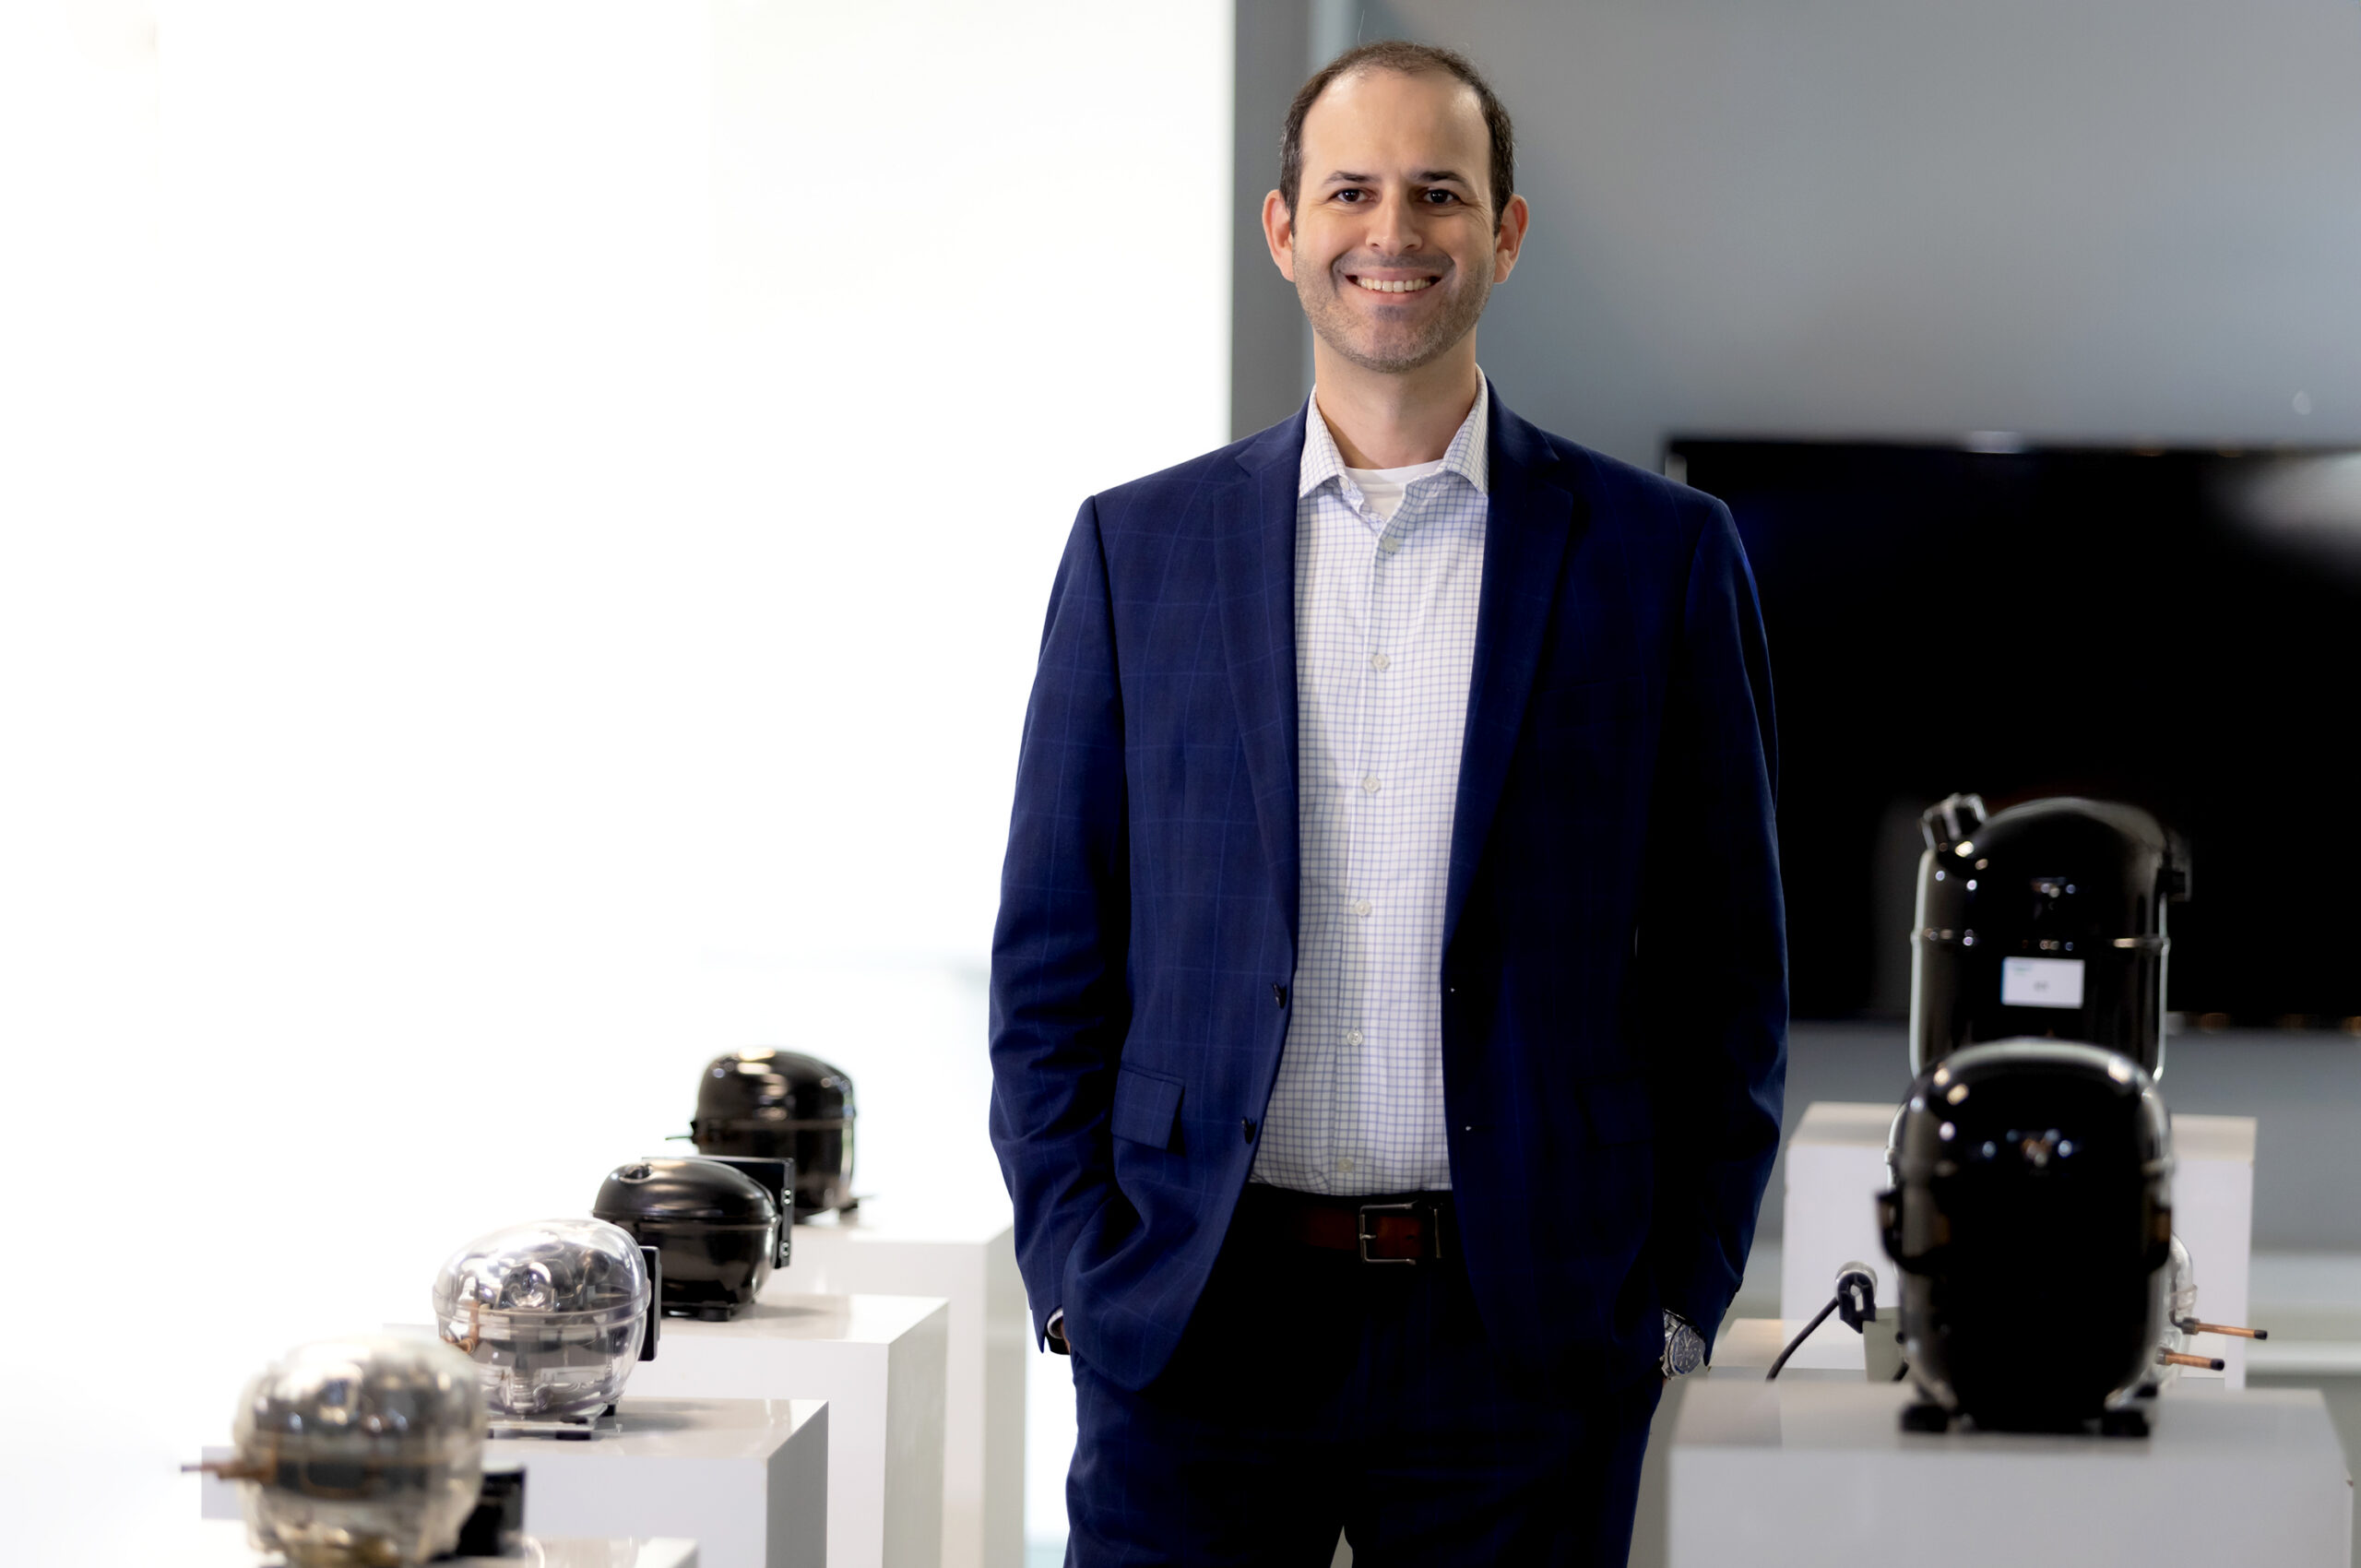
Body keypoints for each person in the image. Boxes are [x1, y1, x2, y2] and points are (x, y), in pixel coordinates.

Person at [989, 40, 1785, 1567]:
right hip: (1194, 1317)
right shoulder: (1134, 552)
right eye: (1351, 192)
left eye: (1439, 193)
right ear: (1284, 229)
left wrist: (1679, 1295)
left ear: (1506, 231)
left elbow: (1726, 972)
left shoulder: (1661, 558)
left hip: (1525, 1334)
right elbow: (1051, 963)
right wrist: (1081, 1274)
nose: (1393, 232)